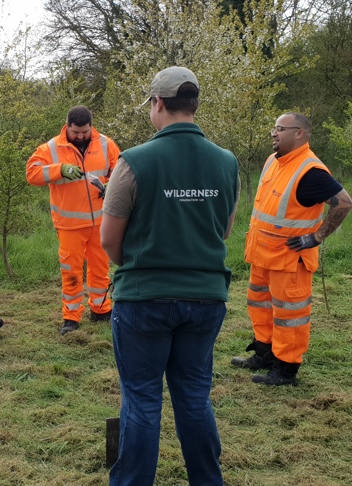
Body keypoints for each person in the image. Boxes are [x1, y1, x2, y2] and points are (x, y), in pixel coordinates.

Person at [101, 66, 239, 486]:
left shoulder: (134, 161)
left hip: (144, 300)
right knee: (195, 398)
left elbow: (109, 241)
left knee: (142, 401)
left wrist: (143, 260)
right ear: (194, 105)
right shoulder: (226, 162)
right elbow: (224, 229)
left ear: (157, 104)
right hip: (206, 299)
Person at [232, 112, 352, 386]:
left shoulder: (310, 171)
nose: (274, 133)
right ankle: (264, 354)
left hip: (289, 261)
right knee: (260, 307)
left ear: (300, 133)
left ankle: (286, 370)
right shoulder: (273, 161)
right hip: (263, 255)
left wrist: (317, 237)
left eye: (280, 129)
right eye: (273, 129)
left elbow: (344, 203)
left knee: (290, 315)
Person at [27, 106, 120, 335]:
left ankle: (101, 310)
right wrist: (59, 170)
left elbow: (121, 171)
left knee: (100, 269)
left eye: (84, 132)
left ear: (91, 126)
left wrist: (111, 186)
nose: (80, 136)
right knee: (71, 272)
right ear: (67, 126)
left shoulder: (106, 144)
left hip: (100, 222)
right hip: (69, 226)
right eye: (76, 132)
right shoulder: (50, 148)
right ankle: (71, 318)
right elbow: (32, 174)